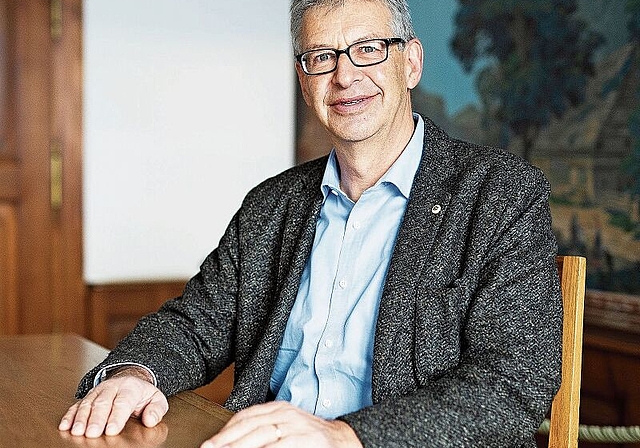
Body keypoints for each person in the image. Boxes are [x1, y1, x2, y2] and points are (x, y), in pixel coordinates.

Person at [59, 0, 563, 446]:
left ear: (411, 62)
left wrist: (344, 437)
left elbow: (513, 384)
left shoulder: (501, 196)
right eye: (322, 57)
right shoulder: (271, 204)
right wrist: (134, 372)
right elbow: (196, 324)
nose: (344, 76)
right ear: (305, 81)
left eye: (367, 48)